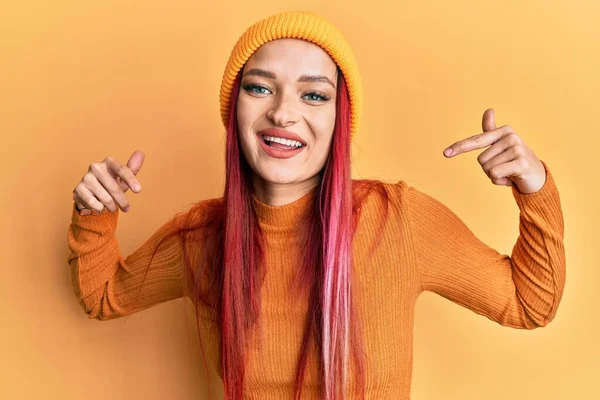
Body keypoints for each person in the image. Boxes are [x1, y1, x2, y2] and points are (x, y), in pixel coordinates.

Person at [67, 10, 566, 400]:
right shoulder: (200, 239)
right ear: (233, 109)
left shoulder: (399, 221)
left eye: (314, 95)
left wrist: (534, 185)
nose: (283, 112)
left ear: (339, 119)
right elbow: (104, 295)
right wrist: (94, 212)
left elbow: (530, 303)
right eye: (260, 87)